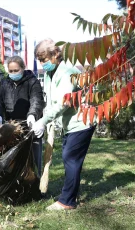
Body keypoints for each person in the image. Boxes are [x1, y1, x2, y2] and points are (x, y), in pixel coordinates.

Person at [32, 39, 96, 211]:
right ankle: (70, 195)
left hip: (82, 122)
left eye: (44, 59)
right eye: (40, 60)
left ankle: (67, 201)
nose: (42, 64)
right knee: (71, 159)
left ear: (55, 55)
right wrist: (44, 119)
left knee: (71, 159)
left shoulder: (67, 72)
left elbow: (63, 102)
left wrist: (43, 121)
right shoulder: (48, 74)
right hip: (70, 124)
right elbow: (51, 100)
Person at [0, 55, 44, 176]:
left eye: (16, 70)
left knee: (34, 159)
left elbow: (36, 100)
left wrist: (32, 115)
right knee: (14, 160)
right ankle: (18, 188)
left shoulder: (32, 81)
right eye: (11, 71)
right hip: (12, 128)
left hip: (31, 127)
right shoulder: (5, 84)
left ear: (23, 68)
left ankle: (37, 185)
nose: (13, 73)